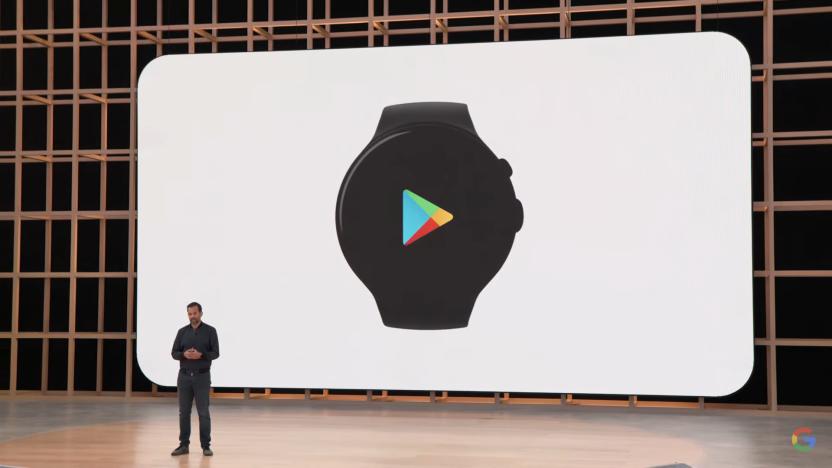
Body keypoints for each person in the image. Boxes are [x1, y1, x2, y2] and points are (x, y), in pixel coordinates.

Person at [170, 302, 220, 456]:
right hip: (184, 377)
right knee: (183, 412)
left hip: (202, 377)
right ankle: (183, 445)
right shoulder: (182, 332)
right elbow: (174, 353)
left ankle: (206, 446)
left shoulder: (210, 331)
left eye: (195, 313)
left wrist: (202, 355)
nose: (192, 316)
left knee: (203, 412)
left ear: (201, 313)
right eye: (189, 314)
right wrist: (183, 354)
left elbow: (216, 353)